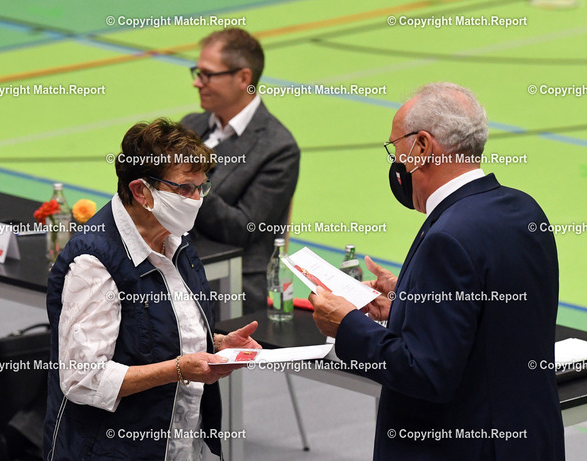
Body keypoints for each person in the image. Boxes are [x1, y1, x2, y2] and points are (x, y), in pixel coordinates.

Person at [309, 83, 565, 460]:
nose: (396, 163)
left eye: (395, 149)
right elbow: (491, 321)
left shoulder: (448, 236)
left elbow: (426, 374)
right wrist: (407, 303)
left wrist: (346, 324)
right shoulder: (525, 210)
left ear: (422, 147)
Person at [43, 118, 260, 460]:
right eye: (184, 188)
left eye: (201, 188)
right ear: (141, 191)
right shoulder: (94, 263)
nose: (196, 200)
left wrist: (217, 344)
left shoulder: (175, 238)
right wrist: (179, 369)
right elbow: (82, 379)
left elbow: (155, 332)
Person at [181, 28, 300, 314]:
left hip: (232, 285)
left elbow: (243, 229)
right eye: (197, 72)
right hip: (175, 265)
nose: (197, 82)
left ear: (243, 78)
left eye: (207, 74)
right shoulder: (191, 125)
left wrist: (188, 183)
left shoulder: (278, 148)